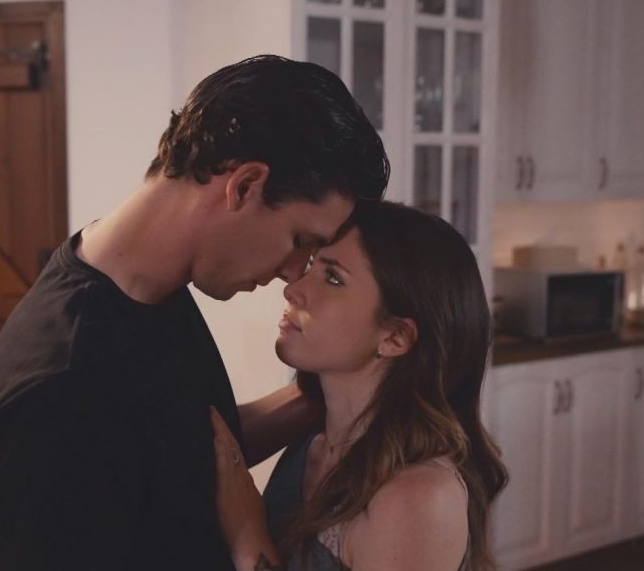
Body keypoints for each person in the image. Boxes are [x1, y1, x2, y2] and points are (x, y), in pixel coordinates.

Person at [0, 55, 388, 570]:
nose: (294, 272)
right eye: (300, 240)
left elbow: (179, 452)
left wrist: (330, 393)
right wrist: (251, 544)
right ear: (245, 186)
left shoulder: (151, 292)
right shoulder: (61, 390)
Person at [211, 201, 508, 571]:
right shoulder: (312, 443)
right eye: (311, 266)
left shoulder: (417, 495)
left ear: (395, 337)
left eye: (333, 278)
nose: (293, 289)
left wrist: (248, 539)